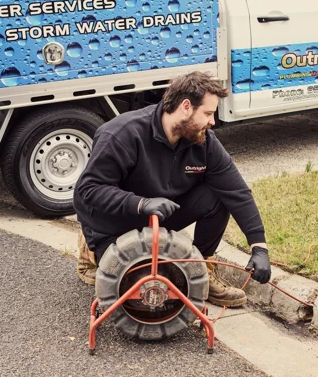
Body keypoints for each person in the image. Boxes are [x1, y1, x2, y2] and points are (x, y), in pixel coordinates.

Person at [73, 71, 271, 308]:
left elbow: (236, 190)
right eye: (208, 113)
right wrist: (140, 203)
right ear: (186, 107)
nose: (212, 121)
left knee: (217, 196)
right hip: (114, 223)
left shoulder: (203, 141)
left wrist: (259, 246)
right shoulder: (122, 134)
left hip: (161, 215)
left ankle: (203, 269)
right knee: (138, 298)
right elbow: (89, 189)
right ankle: (90, 252)